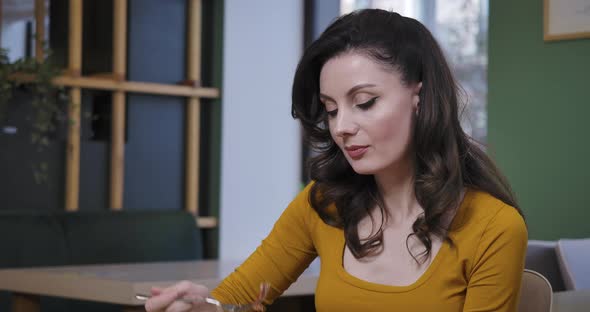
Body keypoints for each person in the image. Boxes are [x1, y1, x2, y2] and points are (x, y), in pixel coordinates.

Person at [146, 9, 527, 312]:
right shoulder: (325, 203)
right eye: (330, 110)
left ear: (419, 97)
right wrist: (204, 308)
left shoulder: (494, 228)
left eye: (364, 103)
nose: (341, 127)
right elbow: (241, 299)